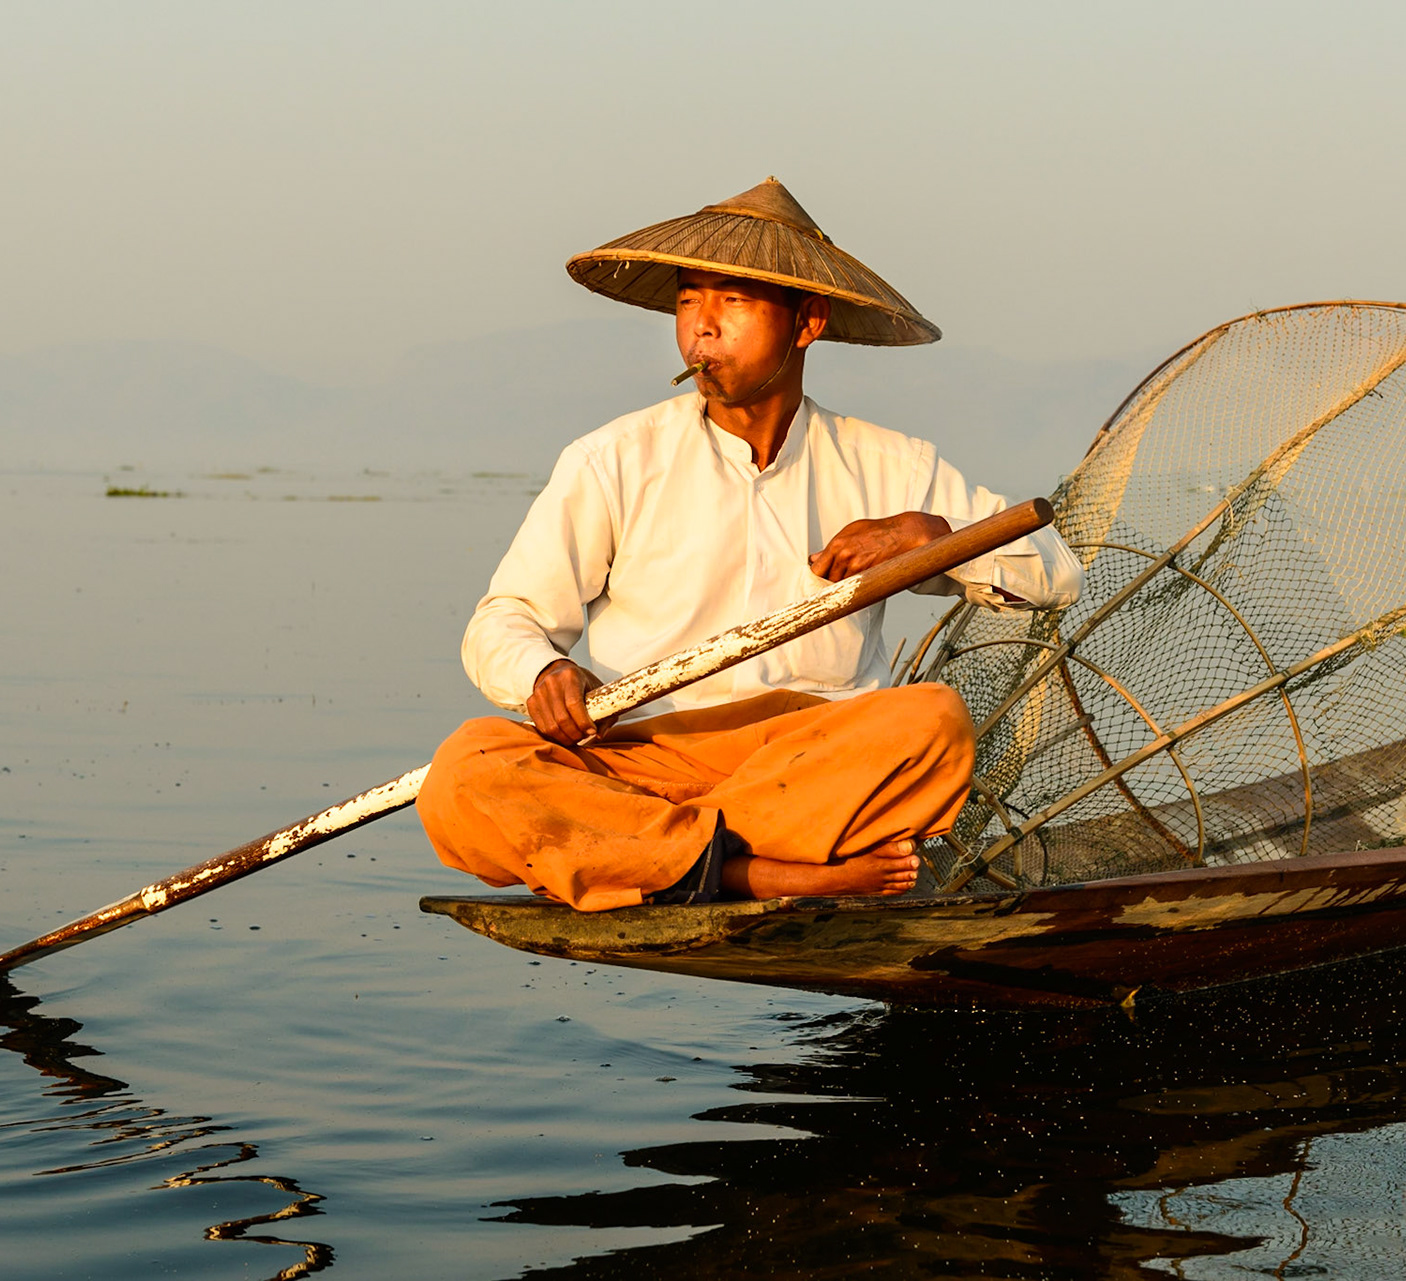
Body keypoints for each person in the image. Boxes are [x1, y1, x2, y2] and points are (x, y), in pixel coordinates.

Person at [416, 178, 1080, 910]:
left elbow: (1055, 574)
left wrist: (931, 538)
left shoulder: (892, 465)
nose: (701, 330)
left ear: (807, 322)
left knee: (933, 724)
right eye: (688, 302)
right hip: (639, 763)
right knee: (464, 771)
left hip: (805, 766)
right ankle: (755, 872)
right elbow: (504, 619)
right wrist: (543, 671)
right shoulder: (613, 459)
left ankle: (652, 858)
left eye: (732, 301)